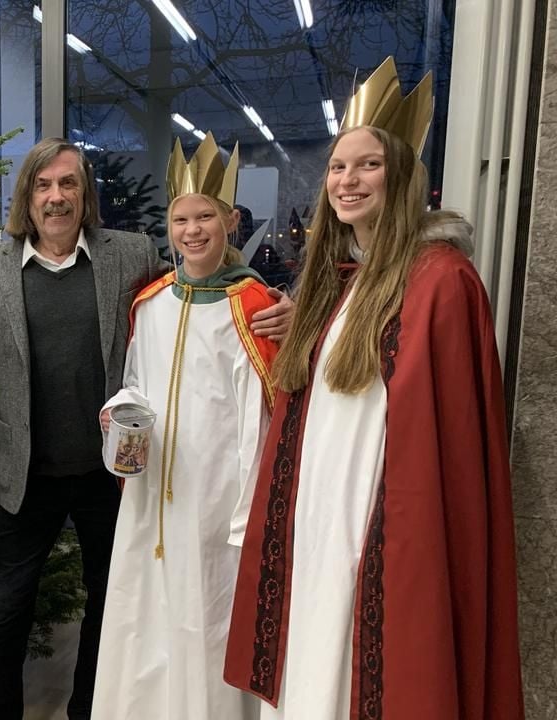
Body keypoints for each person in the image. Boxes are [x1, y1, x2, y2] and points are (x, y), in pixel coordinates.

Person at [0, 137, 292, 719]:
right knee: (6, 610)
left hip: (114, 476)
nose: (56, 197)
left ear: (86, 195)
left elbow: (198, 294)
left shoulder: (129, 255)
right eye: (43, 185)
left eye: (69, 184)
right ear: (26, 197)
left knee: (110, 605)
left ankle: (90, 709)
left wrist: (273, 300)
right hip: (26, 473)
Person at [223, 57, 524, 719]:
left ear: (403, 176)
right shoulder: (336, 284)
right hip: (320, 520)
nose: (348, 180)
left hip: (382, 525)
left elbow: (445, 439)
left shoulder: (442, 280)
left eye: (368, 165)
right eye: (337, 166)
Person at [91, 135, 274, 719]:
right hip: (150, 493)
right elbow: (137, 383)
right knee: (144, 604)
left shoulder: (251, 305)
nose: (192, 231)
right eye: (181, 219)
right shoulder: (151, 302)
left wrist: (247, 511)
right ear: (168, 228)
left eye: (205, 218)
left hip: (215, 495)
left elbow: (259, 415)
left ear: (231, 221)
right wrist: (119, 412)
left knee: (205, 609)